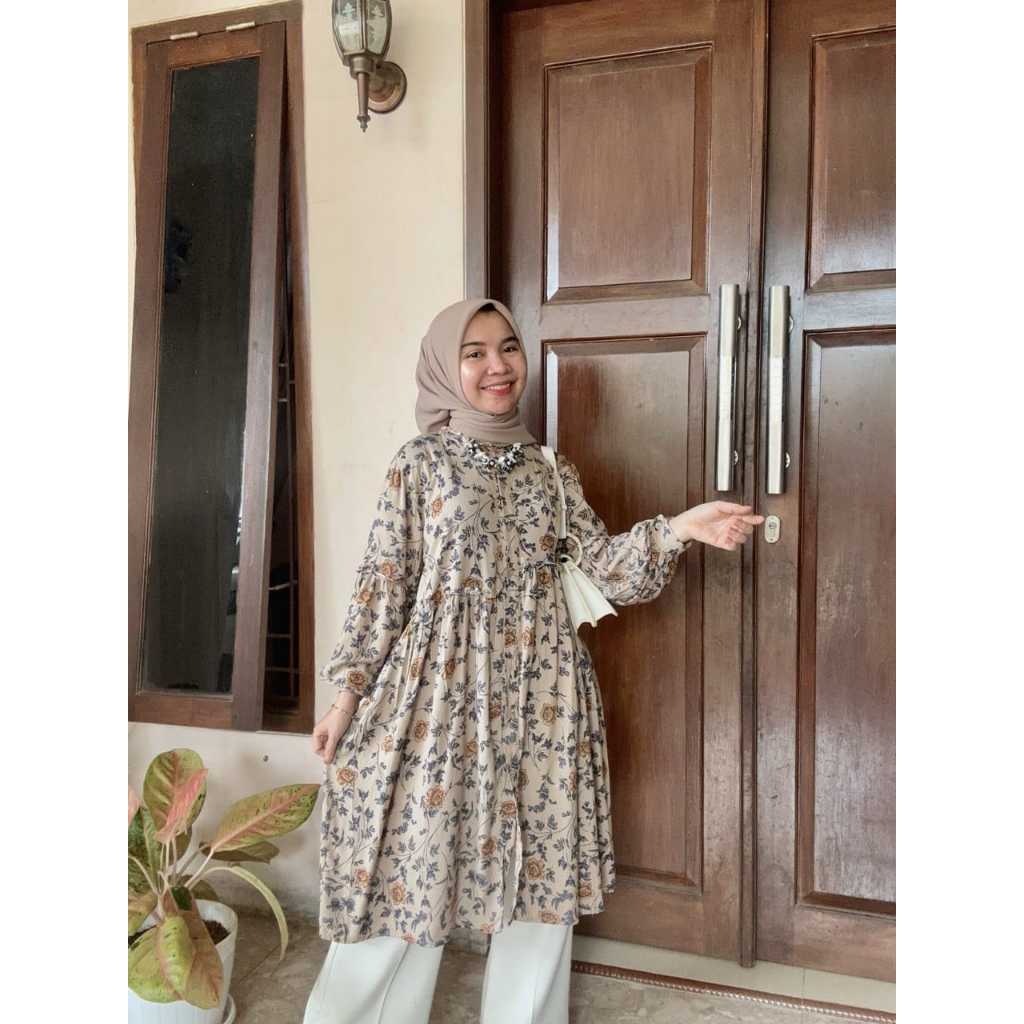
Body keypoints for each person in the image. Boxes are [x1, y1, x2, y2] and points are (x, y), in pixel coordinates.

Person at [304, 298, 762, 1024]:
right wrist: (346, 700)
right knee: (406, 873)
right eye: (475, 353)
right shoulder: (421, 464)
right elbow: (383, 584)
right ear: (445, 367)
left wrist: (681, 529)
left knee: (540, 881)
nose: (498, 366)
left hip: (544, 697)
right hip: (438, 701)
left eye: (508, 348)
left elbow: (605, 568)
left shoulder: (550, 470)